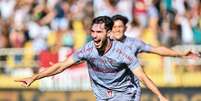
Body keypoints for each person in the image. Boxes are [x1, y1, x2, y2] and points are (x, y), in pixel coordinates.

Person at [15, 16, 168, 101]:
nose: (94, 35)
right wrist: (35, 77)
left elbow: (142, 77)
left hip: (125, 94)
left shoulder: (123, 52)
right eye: (93, 31)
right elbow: (61, 65)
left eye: (99, 32)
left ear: (108, 33)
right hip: (102, 97)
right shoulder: (88, 49)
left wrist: (160, 96)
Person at [111, 14, 200, 58]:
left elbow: (157, 50)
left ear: (125, 28)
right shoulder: (102, 43)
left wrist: (181, 53)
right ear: (110, 29)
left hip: (126, 90)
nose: (117, 30)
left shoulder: (134, 43)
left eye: (120, 27)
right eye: (114, 27)